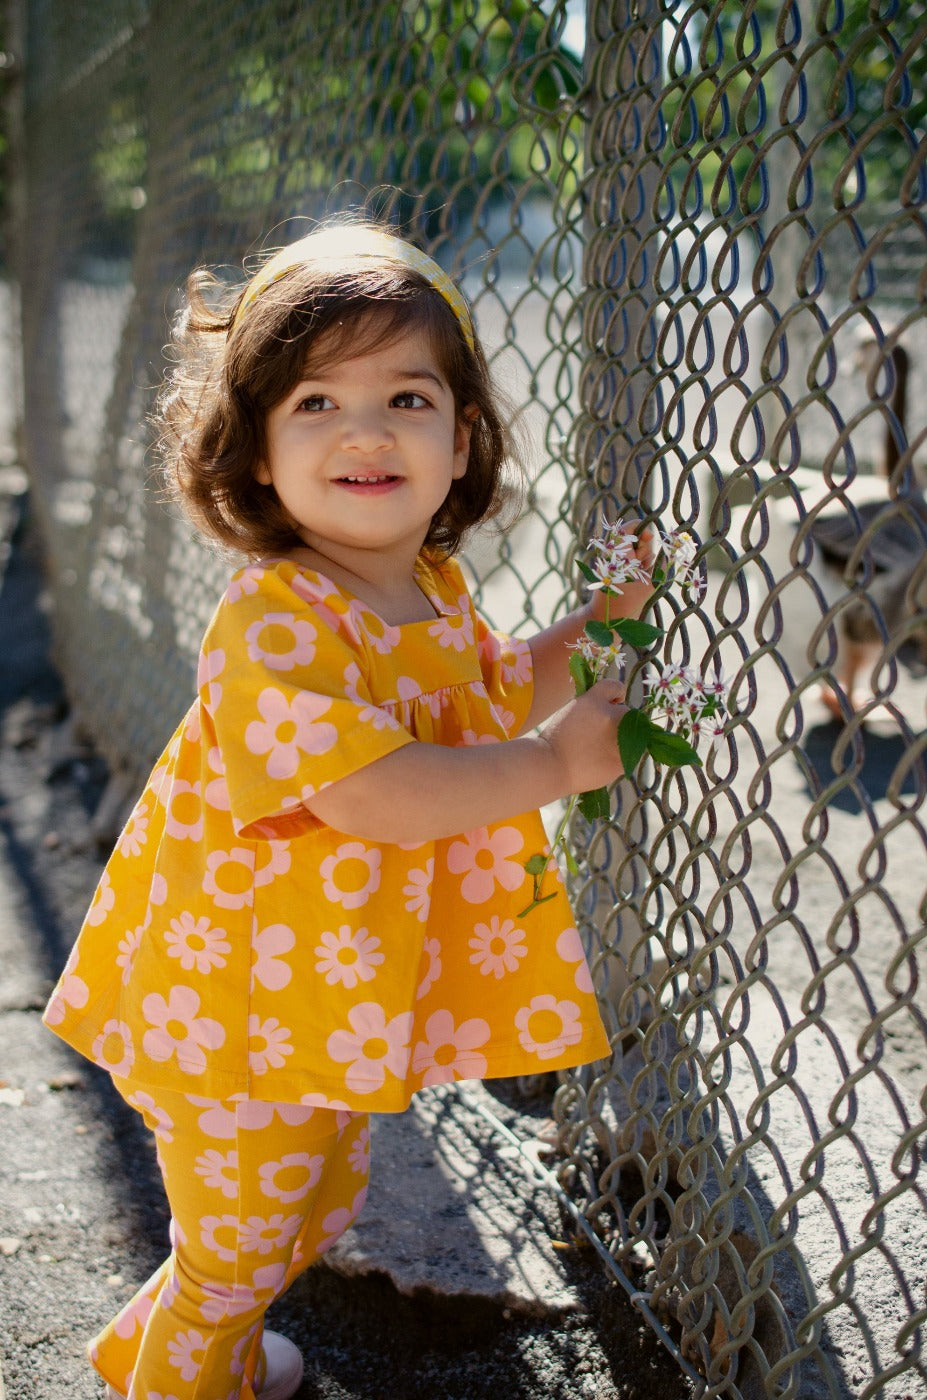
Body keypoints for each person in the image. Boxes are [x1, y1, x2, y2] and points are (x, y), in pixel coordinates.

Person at [43, 220, 654, 1400]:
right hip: (229, 1008)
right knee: (239, 1243)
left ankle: (171, 1338)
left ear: (462, 438)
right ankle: (182, 1372)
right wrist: (557, 768)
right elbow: (384, 791)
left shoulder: (425, 587)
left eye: (407, 396)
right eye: (315, 401)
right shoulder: (275, 621)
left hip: (312, 1000)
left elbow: (482, 691)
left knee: (305, 1205)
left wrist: (599, 633)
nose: (366, 429)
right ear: (256, 451)